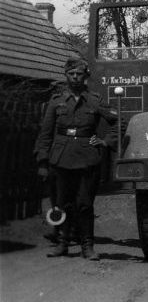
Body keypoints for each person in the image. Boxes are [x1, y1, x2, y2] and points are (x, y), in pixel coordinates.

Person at [34, 58, 120, 260]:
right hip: (61, 159)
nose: (74, 77)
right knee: (62, 204)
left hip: (87, 159)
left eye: (79, 74)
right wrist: (42, 162)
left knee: (84, 204)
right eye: (71, 74)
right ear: (66, 76)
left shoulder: (95, 101)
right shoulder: (56, 102)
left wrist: (105, 142)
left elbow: (119, 122)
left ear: (85, 76)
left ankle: (87, 247)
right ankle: (62, 244)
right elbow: (45, 134)